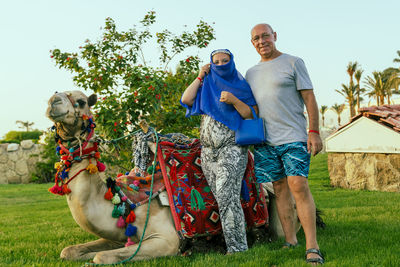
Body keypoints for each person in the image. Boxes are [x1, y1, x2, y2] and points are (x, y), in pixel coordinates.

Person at [245, 24, 325, 265]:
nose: (261, 41)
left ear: (275, 36)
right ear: (253, 43)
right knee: (279, 188)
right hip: (265, 141)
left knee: (298, 185)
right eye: (256, 38)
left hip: (294, 136)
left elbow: (309, 97)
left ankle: (313, 246)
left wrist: (314, 132)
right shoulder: (250, 73)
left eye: (265, 36)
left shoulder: (293, 62)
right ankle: (291, 239)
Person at [180, 49, 258, 254]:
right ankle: (234, 243)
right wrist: (199, 76)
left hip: (231, 148)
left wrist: (233, 100)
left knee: (225, 196)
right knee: (225, 198)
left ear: (232, 62)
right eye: (216, 61)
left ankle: (237, 248)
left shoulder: (240, 86)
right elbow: (186, 99)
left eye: (225, 61)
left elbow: (251, 114)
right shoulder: (206, 86)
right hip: (208, 152)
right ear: (210, 64)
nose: (221, 64)